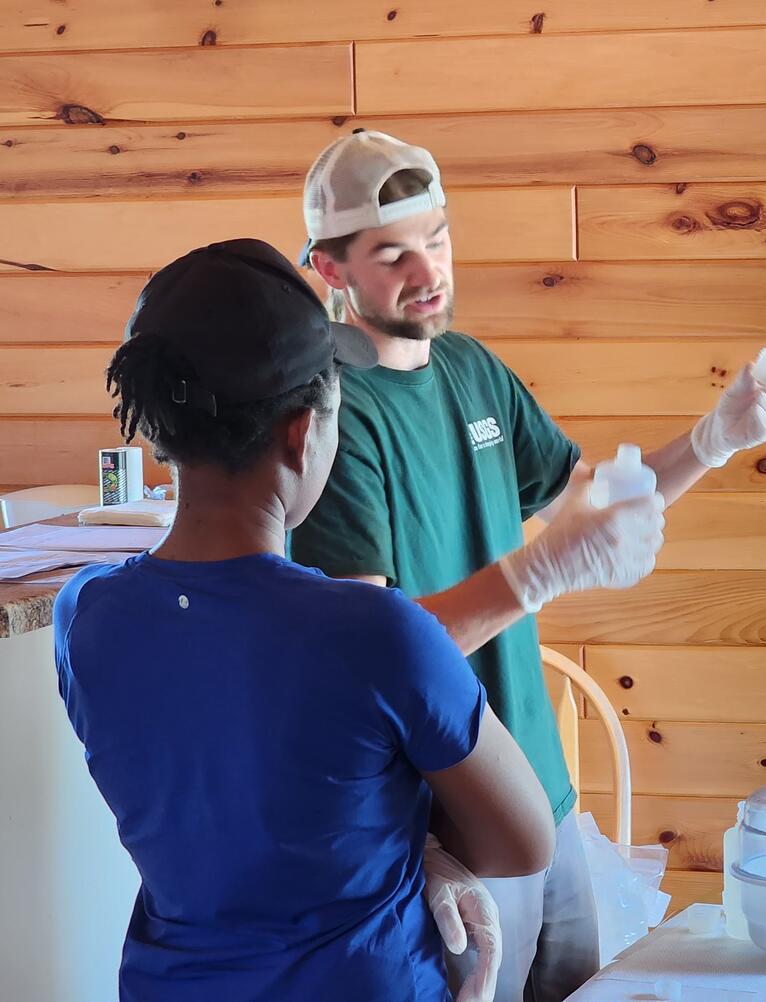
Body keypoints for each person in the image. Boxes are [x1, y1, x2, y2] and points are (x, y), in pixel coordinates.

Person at [292, 131, 766, 1001]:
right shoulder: (336, 419)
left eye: (438, 236)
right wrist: (537, 575)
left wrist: (713, 442)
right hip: (444, 829)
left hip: (540, 792)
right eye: (392, 254)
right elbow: (369, 661)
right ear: (331, 272)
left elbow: (592, 506)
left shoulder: (471, 369)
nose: (429, 270)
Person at [54, 239, 555, 1002]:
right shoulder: (376, 633)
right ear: (302, 431)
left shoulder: (86, 615)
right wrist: (417, 842)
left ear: (161, 432)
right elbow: (523, 840)